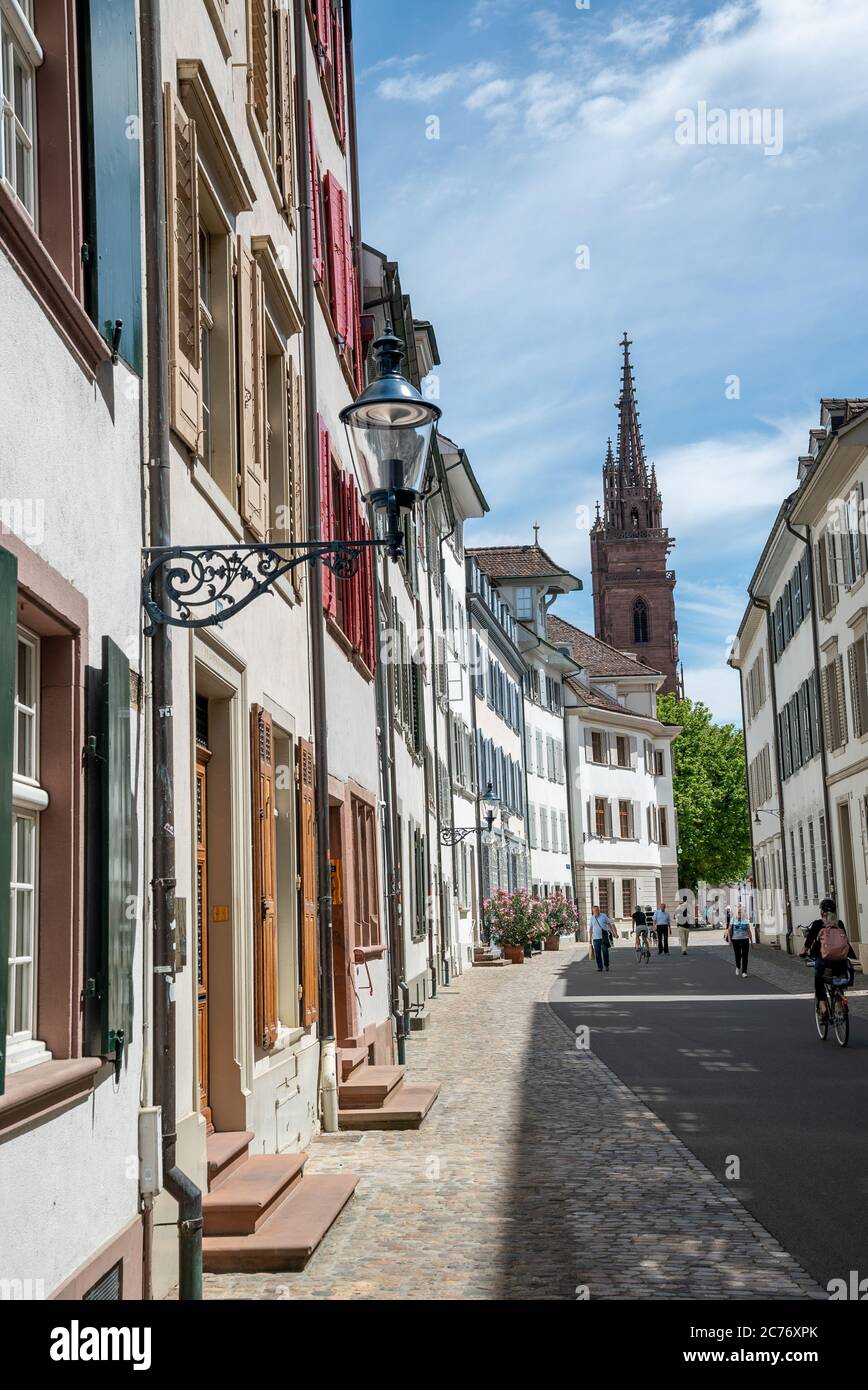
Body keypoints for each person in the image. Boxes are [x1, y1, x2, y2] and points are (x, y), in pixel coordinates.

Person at [799, 899, 856, 1016]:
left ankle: (824, 1008)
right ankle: (839, 1003)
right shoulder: (839, 924)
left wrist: (803, 952)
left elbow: (808, 943)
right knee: (840, 980)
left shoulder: (817, 924)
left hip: (824, 961)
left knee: (819, 981)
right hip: (840, 961)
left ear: (821, 912)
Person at [590, 904, 618, 972]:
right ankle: (600, 967)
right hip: (595, 938)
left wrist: (613, 933)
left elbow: (609, 924)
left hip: (603, 937)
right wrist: (590, 939)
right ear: (593, 911)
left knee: (605, 952)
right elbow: (590, 929)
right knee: (597, 953)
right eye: (596, 910)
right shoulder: (592, 918)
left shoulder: (603, 916)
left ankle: (606, 965)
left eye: (598, 910)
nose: (597, 911)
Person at [727, 910, 752, 976]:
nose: (739, 913)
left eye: (741, 912)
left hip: (745, 939)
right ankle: (738, 967)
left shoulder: (745, 920)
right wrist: (729, 940)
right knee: (737, 955)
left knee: (745, 956)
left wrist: (751, 941)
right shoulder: (733, 919)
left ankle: (744, 972)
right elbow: (729, 930)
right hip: (735, 940)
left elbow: (749, 931)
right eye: (738, 912)